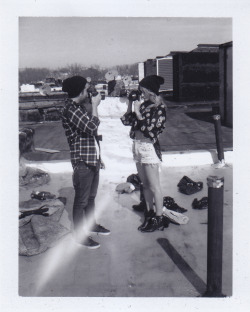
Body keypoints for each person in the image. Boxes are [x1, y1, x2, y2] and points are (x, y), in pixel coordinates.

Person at [61, 76, 110, 249]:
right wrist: (95, 105)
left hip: (91, 159)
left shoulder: (78, 107)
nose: (89, 92)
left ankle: (91, 225)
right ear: (80, 90)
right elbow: (91, 127)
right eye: (87, 88)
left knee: (90, 198)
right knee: (81, 201)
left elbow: (89, 135)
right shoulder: (70, 110)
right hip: (82, 161)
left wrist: (98, 157)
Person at [121, 75, 169, 232]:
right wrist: (130, 104)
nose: (141, 92)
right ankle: (149, 214)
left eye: (143, 89)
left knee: (154, 186)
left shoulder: (159, 109)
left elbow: (150, 130)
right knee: (145, 185)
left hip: (149, 148)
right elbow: (127, 121)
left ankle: (159, 218)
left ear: (150, 91)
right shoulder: (143, 105)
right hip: (138, 146)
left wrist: (139, 114)